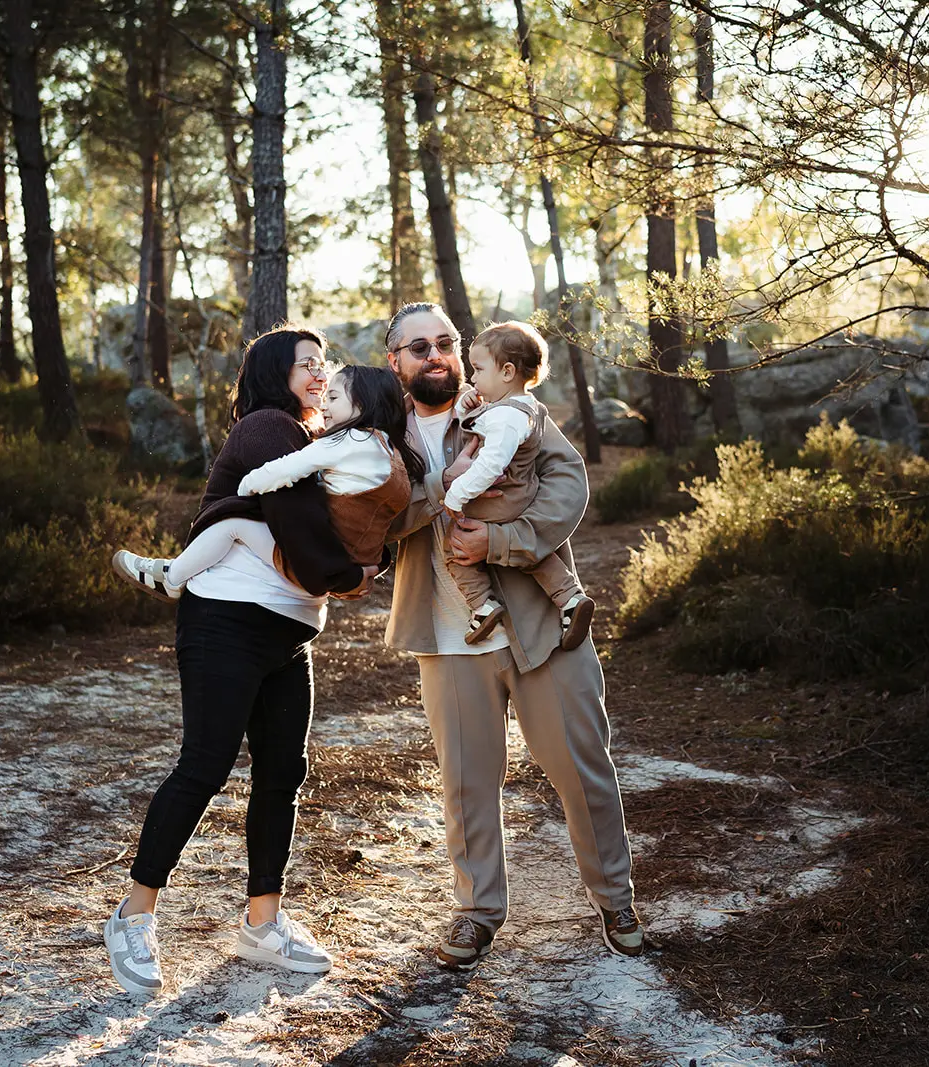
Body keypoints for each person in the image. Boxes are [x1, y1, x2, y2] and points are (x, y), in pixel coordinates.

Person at [101, 325, 379, 996]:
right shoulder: (266, 426)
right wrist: (349, 574)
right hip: (226, 622)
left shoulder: (315, 444)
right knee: (205, 763)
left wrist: (365, 555)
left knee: (284, 772)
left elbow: (356, 521)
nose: (317, 372)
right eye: (303, 364)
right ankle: (134, 914)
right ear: (272, 374)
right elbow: (306, 530)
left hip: (288, 635)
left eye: (323, 363)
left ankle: (263, 923)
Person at [382, 301, 644, 970]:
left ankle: (615, 899)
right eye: (419, 347)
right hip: (448, 638)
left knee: (582, 768)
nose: (435, 354)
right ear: (397, 363)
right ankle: (476, 912)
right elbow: (379, 520)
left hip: (541, 628)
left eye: (445, 341)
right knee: (467, 785)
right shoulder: (386, 439)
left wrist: (501, 540)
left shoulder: (513, 411)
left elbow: (567, 486)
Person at [112, 364, 424, 600]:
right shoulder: (389, 448)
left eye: (332, 396)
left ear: (362, 403)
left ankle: (173, 576)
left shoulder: (344, 440)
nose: (324, 405)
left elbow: (285, 468)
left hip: (323, 563)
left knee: (232, 523)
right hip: (360, 560)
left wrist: (247, 486)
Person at [442, 321, 594, 651]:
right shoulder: (524, 407)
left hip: (501, 498)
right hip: (522, 496)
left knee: (453, 548)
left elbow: (490, 463)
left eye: (479, 369)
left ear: (507, 371)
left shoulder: (504, 417)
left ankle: (482, 605)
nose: (473, 378)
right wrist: (469, 407)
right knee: (534, 556)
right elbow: (485, 424)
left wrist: (456, 494)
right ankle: (569, 598)